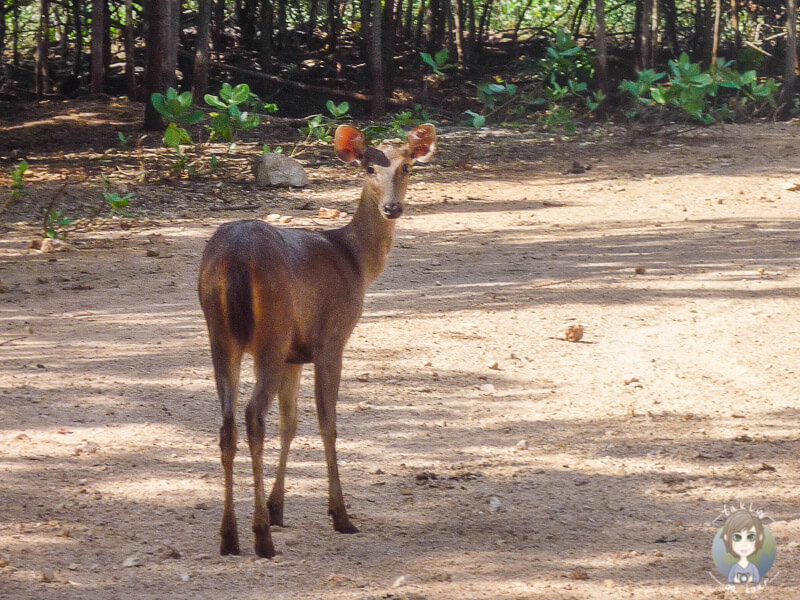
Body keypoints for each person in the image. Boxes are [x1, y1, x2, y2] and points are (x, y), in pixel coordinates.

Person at [721, 509, 765, 584]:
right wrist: (736, 580)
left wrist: (750, 579)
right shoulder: (735, 567)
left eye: (751, 537)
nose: (744, 543)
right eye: (737, 537)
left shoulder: (752, 567)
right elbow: (730, 579)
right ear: (727, 538)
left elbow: (757, 578)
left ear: (760, 538)